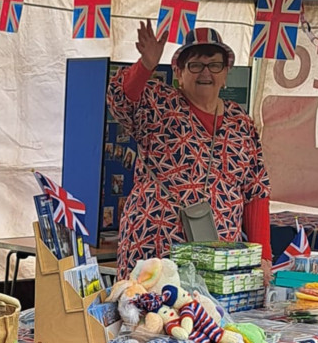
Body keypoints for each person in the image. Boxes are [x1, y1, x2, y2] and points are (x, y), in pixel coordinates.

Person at [107, 23, 272, 282]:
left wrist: (263, 257)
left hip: (218, 258)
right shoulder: (158, 105)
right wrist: (146, 65)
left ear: (226, 73)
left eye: (214, 65)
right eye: (195, 65)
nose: (205, 72)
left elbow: (256, 190)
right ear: (179, 73)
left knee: (213, 320)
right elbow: (121, 99)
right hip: (156, 251)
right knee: (148, 318)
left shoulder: (241, 123)